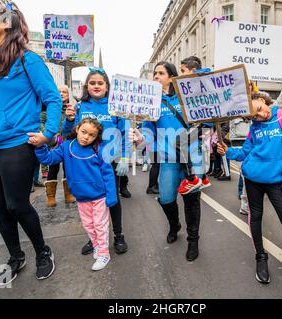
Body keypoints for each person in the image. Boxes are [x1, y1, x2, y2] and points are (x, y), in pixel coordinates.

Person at [0, 3, 61, 287]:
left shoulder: (29, 60)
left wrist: (48, 133)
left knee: (16, 204)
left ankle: (43, 251)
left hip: (15, 143)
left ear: (5, 23)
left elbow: (52, 99)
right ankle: (16, 256)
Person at [217, 92, 282, 291]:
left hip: (277, 181)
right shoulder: (254, 127)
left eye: (259, 110)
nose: (259, 116)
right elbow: (247, 152)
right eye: (253, 116)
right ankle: (260, 257)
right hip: (253, 178)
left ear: (263, 101)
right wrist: (228, 151)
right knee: (255, 217)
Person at [130, 61, 205, 262]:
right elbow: (148, 130)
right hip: (168, 159)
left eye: (160, 73)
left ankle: (193, 240)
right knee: (166, 198)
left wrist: (191, 75)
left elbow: (208, 82)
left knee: (192, 200)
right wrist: (141, 138)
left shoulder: (187, 95)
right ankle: (174, 224)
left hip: (191, 157)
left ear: (172, 77)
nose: (155, 76)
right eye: (154, 73)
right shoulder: (151, 103)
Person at [62, 67, 129, 255]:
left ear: (107, 87)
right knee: (90, 201)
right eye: (93, 83)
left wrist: (124, 157)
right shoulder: (79, 107)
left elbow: (124, 133)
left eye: (101, 83)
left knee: (112, 198)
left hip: (110, 160)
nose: (97, 86)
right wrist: (69, 120)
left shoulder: (116, 106)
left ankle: (118, 235)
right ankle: (95, 238)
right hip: (86, 162)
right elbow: (67, 134)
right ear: (86, 86)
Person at [36, 118, 117, 271]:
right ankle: (96, 246)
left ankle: (104, 253)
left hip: (99, 196)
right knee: (88, 225)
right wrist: (40, 146)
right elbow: (49, 158)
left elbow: (108, 173)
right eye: (84, 132)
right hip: (81, 197)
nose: (86, 137)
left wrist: (111, 195)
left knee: (100, 225)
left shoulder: (99, 149)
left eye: (91, 135)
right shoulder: (67, 146)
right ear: (77, 129)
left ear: (96, 137)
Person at [176, 56, 213, 193]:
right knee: (195, 148)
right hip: (199, 124)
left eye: (183, 70)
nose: (181, 74)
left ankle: (192, 179)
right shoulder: (191, 85)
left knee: (180, 142)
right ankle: (203, 178)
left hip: (203, 124)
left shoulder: (203, 80)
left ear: (193, 70)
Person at [43, 85, 76, 207]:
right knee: (53, 168)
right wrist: (48, 135)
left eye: (64, 92)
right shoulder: (50, 107)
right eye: (59, 92)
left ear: (69, 95)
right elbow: (42, 122)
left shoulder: (73, 108)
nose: (61, 94)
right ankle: (50, 197)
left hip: (68, 143)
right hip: (53, 143)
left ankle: (68, 195)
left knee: (68, 168)